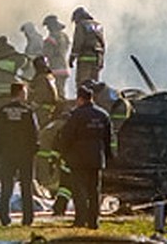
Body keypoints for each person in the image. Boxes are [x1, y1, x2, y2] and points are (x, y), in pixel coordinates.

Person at [57, 84, 112, 230]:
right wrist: (107, 156)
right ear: (91, 98)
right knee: (94, 190)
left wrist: (63, 153)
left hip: (78, 158)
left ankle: (80, 220)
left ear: (80, 99)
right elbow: (108, 139)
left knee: (79, 190)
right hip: (96, 158)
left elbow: (67, 136)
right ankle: (94, 221)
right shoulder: (103, 115)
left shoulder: (76, 115)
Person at [0, 82, 39, 226]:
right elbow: (34, 133)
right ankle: (27, 218)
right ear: (20, 93)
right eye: (24, 92)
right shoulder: (27, 111)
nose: (26, 94)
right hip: (25, 154)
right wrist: (33, 149)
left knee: (6, 185)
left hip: (7, 153)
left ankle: (4, 217)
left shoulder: (2, 111)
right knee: (26, 185)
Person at [67, 7, 105, 87]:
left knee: (83, 84)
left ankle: (83, 99)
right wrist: (101, 60)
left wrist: (72, 57)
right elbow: (102, 43)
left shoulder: (81, 25)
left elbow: (78, 41)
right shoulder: (98, 26)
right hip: (97, 58)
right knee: (94, 84)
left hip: (85, 58)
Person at [41, 15, 71, 99]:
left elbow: (46, 54)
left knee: (56, 93)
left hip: (55, 68)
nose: (47, 29)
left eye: (48, 26)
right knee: (62, 91)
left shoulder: (51, 38)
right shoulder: (65, 36)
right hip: (64, 67)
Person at [27, 56, 59, 121]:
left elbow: (41, 94)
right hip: (47, 110)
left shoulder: (41, 78)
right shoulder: (49, 77)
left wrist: (32, 105)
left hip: (41, 111)